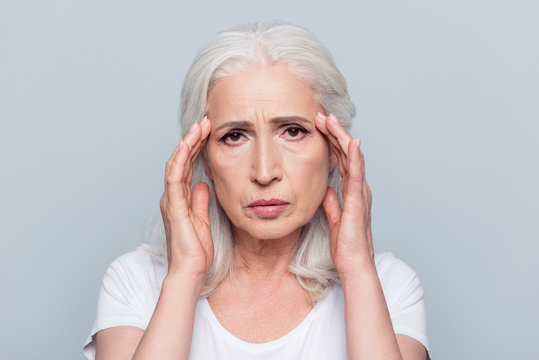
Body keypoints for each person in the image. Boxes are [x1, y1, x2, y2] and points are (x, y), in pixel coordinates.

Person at [83, 20, 429, 360]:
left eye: (293, 131)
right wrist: (184, 276)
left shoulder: (387, 285)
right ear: (201, 155)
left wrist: (356, 269)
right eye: (235, 136)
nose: (264, 172)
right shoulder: (136, 281)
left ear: (335, 152)